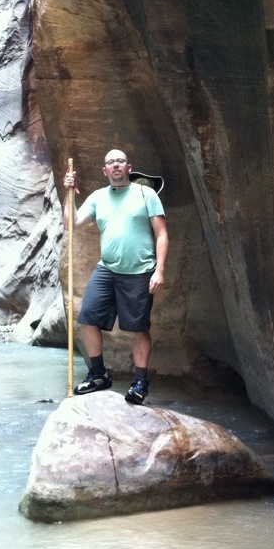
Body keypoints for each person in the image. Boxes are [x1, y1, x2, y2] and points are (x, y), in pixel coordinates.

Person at [63, 149, 168, 404]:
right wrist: (69, 193)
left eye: (120, 161)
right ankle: (99, 374)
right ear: (105, 170)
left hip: (140, 270)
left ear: (128, 167)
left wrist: (159, 270)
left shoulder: (146, 194)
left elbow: (162, 233)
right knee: (87, 318)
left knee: (138, 328)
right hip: (107, 269)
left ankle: (140, 382)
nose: (116, 165)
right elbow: (71, 223)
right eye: (111, 162)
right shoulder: (98, 197)